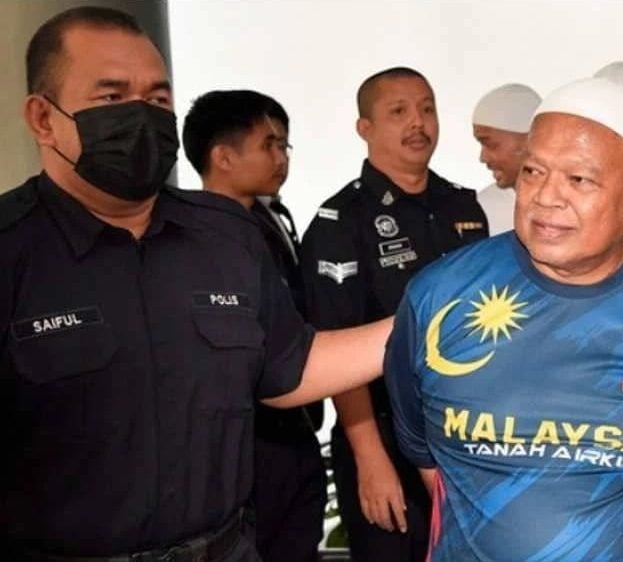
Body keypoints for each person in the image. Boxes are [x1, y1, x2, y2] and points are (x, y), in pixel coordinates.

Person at [0, 7, 390, 561]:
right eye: (112, 97)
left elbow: (291, 367)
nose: (142, 115)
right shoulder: (12, 248)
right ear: (43, 118)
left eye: (158, 99)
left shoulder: (226, 233)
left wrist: (429, 317)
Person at [384, 77, 623, 561]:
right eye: (533, 171)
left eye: (579, 179)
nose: (546, 197)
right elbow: (423, 449)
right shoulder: (439, 295)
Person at [299, 67, 488, 562]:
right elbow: (336, 348)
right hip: (382, 435)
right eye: (399, 111)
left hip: (462, 433)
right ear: (365, 128)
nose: (418, 123)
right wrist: (370, 457)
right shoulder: (340, 221)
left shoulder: (463, 208)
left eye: (427, 109)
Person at [182, 89, 326, 562]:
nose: (281, 158)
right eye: (269, 144)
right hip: (239, 444)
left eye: (285, 145)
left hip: (294, 427)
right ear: (223, 157)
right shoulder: (190, 238)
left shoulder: (271, 219)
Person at [471, 83, 541, 234]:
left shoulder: (576, 201)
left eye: (490, 144)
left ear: (529, 138)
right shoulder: (480, 211)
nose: (483, 157)